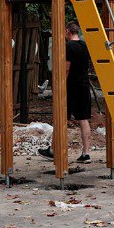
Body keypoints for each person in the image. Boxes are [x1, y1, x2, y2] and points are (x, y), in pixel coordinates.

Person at [39, 22, 94, 164]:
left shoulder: (69, 46)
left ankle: (53, 150)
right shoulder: (85, 46)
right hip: (84, 86)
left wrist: (60, 85)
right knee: (83, 119)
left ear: (68, 31)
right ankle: (86, 153)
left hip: (71, 87)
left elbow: (66, 68)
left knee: (61, 118)